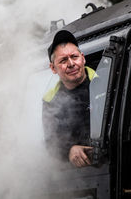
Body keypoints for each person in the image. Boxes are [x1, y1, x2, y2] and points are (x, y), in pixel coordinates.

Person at [42, 30, 94, 168]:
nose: (71, 63)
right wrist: (69, 150)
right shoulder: (50, 100)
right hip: (81, 176)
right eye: (63, 60)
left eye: (74, 57)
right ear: (53, 68)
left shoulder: (106, 81)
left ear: (83, 58)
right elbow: (51, 141)